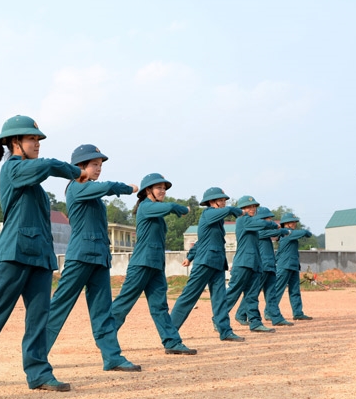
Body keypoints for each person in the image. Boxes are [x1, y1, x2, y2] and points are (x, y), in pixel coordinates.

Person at [0, 116, 87, 391]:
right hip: (15, 253)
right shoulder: (13, 168)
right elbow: (47, 165)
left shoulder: (31, 174)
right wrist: (75, 171)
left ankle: (38, 373)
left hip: (40, 255)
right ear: (15, 143)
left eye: (37, 139)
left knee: (39, 316)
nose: (37, 144)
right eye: (31, 139)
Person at [45, 145, 141, 372]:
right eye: (93, 164)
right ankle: (36, 356)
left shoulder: (90, 190)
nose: (98, 169)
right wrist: (126, 188)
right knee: (59, 306)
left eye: (100, 165)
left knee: (102, 310)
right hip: (81, 256)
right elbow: (107, 187)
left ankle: (112, 357)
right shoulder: (77, 187)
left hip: (98, 256)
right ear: (80, 167)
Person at [110, 173, 196, 354]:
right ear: (148, 190)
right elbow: (171, 207)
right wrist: (183, 209)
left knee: (160, 306)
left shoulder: (156, 210)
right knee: (124, 302)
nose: (163, 191)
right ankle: (105, 337)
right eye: (159, 188)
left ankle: (172, 342)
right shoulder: (146, 207)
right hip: (142, 263)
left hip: (156, 264)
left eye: (164, 188)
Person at [170, 187, 245, 342]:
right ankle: (169, 331)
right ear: (212, 202)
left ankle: (225, 331)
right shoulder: (208, 214)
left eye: (225, 200)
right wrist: (234, 210)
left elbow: (201, 241)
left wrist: (190, 257)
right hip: (205, 262)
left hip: (217, 262)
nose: (224, 202)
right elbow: (225, 212)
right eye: (222, 200)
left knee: (220, 298)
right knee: (189, 296)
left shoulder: (217, 220)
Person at [233, 204, 290, 331]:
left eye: (270, 218)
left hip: (269, 265)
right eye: (267, 218)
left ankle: (276, 317)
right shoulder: (257, 229)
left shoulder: (264, 230)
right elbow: (267, 231)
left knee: (271, 293)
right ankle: (241, 314)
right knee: (252, 292)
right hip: (261, 265)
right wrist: (280, 230)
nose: (269, 220)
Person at [265, 212, 313, 325]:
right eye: (292, 222)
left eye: (295, 222)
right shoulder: (287, 234)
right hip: (284, 265)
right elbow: (305, 233)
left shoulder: (290, 234)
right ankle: (269, 312)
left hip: (293, 265)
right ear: (285, 224)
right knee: (278, 290)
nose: (294, 224)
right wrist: (306, 232)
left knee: (295, 290)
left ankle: (298, 312)